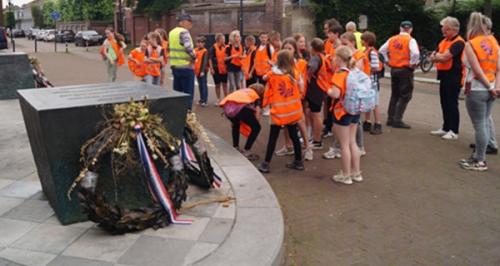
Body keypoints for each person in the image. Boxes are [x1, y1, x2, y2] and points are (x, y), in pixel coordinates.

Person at [459, 12, 500, 171]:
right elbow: (498, 69)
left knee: (479, 125)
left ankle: (480, 160)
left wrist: (489, 87)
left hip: (477, 88)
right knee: (484, 121)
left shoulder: (471, 44)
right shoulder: (494, 42)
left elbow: (475, 69)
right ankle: (478, 157)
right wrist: (495, 87)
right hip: (491, 88)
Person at [257, 50, 304, 173]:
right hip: (292, 111)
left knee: (273, 137)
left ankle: (266, 163)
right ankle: (299, 161)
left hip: (278, 112)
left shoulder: (273, 75)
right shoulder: (295, 73)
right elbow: (301, 87)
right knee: (294, 136)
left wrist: (273, 67)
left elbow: (264, 77)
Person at [326, 45, 363, 184]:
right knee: (353, 142)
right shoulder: (354, 72)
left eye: (335, 57)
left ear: (340, 59)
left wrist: (328, 90)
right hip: (355, 110)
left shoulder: (340, 74)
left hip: (342, 111)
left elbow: (335, 93)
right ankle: (356, 173)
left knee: (344, 145)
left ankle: (346, 175)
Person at [274, 38, 313, 161]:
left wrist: (301, 96)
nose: (287, 51)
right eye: (285, 48)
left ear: (295, 50)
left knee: (300, 123)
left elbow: (303, 81)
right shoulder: (279, 65)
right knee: (285, 123)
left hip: (296, 99)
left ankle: (307, 148)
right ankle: (288, 145)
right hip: (284, 99)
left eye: (290, 48)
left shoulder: (300, 63)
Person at [429, 16, 465, 140]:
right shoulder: (444, 41)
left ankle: (454, 130)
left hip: (454, 76)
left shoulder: (459, 42)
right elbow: (434, 55)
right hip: (444, 75)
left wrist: (438, 56)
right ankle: (445, 127)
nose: (443, 32)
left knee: (452, 103)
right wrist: (438, 56)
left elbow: (445, 57)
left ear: (453, 29)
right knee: (444, 102)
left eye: (446, 30)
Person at [379, 20, 420, 129]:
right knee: (405, 95)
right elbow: (415, 53)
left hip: (394, 69)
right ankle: (397, 119)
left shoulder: (392, 39)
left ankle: (390, 118)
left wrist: (387, 61)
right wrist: (413, 63)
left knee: (395, 94)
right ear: (411, 29)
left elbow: (381, 50)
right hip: (405, 70)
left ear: (400, 28)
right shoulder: (411, 40)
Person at [219, 83, 264, 161]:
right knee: (257, 127)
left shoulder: (243, 90)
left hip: (228, 109)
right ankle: (247, 150)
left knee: (236, 124)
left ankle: (235, 146)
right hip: (240, 110)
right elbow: (257, 112)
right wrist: (256, 122)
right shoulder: (255, 95)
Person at [340, 32, 367, 155]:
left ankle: (360, 146)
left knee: (356, 121)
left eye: (344, 43)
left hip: (356, 92)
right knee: (347, 121)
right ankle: (344, 147)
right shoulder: (350, 55)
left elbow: (357, 71)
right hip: (349, 92)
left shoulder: (359, 55)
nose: (342, 46)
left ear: (352, 42)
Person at [306, 38, 330, 151]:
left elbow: (311, 68)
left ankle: (317, 140)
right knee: (314, 113)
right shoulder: (322, 56)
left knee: (316, 115)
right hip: (320, 88)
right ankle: (315, 138)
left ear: (313, 48)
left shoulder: (315, 58)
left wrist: (306, 72)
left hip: (316, 89)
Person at [168, 14, 196, 109]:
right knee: (188, 94)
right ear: (183, 22)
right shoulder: (184, 32)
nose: (190, 25)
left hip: (175, 66)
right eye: (189, 23)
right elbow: (188, 48)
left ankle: (177, 115)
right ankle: (188, 116)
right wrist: (193, 58)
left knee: (177, 94)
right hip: (186, 67)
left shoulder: (171, 32)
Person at [361, 31, 383, 135]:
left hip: (372, 81)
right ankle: (367, 121)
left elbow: (376, 67)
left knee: (374, 103)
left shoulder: (372, 52)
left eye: (363, 40)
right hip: (368, 81)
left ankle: (378, 123)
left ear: (367, 41)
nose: (361, 41)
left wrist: (366, 69)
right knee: (368, 102)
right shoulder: (367, 51)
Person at [209, 33, 228, 106]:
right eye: (223, 39)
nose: (224, 40)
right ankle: (218, 99)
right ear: (219, 39)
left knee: (225, 85)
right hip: (216, 68)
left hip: (224, 69)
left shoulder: (226, 47)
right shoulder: (213, 48)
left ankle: (226, 99)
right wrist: (211, 68)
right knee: (217, 85)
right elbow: (210, 59)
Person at [194, 36, 209, 106]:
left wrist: (202, 71)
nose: (199, 44)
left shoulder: (205, 51)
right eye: (198, 42)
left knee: (203, 85)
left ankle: (204, 100)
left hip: (203, 71)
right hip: (197, 70)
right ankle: (201, 99)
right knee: (200, 85)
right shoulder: (195, 50)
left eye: (201, 43)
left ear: (204, 44)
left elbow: (205, 62)